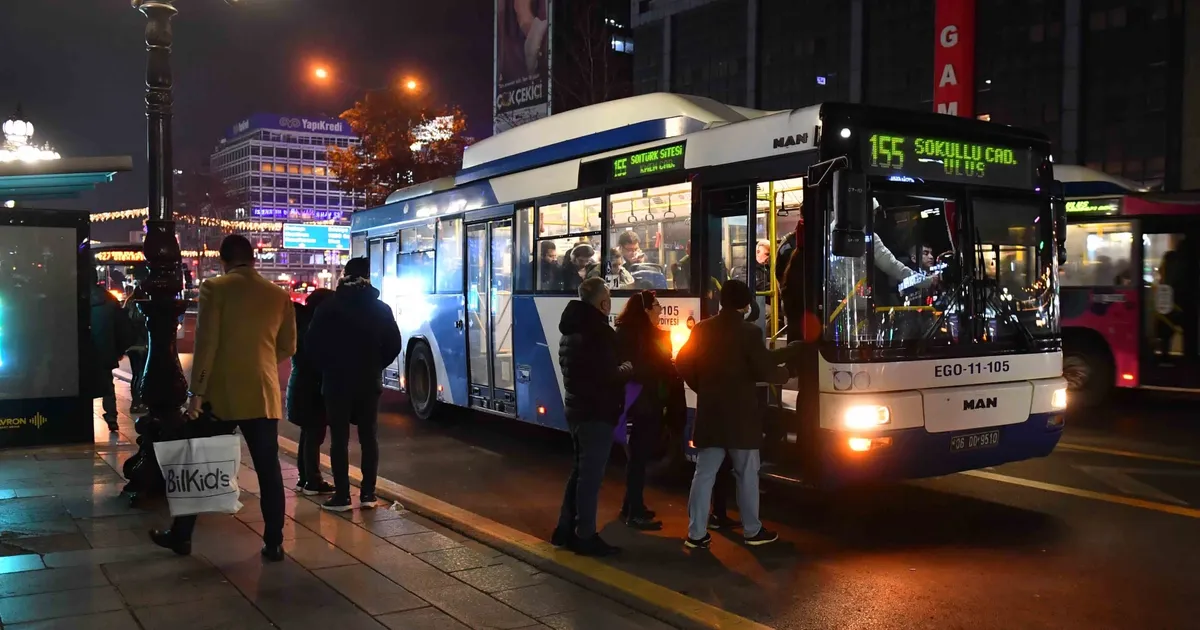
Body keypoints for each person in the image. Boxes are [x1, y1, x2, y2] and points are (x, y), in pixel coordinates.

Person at [150, 235, 297, 562]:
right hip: (262, 393)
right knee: (269, 471)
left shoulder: (215, 289)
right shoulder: (278, 295)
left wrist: (195, 393)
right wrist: (258, 363)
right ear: (254, 259)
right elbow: (288, 346)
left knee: (198, 460)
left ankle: (182, 535)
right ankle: (274, 543)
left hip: (221, 396)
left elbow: (207, 344)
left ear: (223, 261)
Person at [676, 279, 789, 549]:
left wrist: (701, 386)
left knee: (704, 474)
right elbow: (765, 369)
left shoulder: (702, 328)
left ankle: (696, 533)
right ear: (746, 304)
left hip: (711, 413)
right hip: (741, 416)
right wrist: (785, 373)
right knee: (747, 472)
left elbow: (682, 361)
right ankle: (752, 530)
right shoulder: (748, 332)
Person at [306, 257, 403, 512]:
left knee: (339, 439)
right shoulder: (380, 308)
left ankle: (343, 496)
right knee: (369, 437)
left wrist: (327, 367)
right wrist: (375, 364)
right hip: (368, 381)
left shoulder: (328, 307)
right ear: (368, 278)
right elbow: (394, 344)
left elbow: (312, 345)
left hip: (336, 382)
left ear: (344, 276)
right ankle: (368, 494)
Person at [552, 277, 632, 556]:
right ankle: (585, 535)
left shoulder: (570, 329)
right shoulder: (598, 333)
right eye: (608, 297)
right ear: (603, 302)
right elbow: (609, 375)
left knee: (578, 471)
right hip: (596, 413)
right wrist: (628, 368)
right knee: (590, 478)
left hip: (576, 410)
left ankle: (565, 529)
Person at [614, 290, 680, 531]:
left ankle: (629, 507)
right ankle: (635, 512)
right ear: (645, 310)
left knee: (638, 458)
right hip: (641, 403)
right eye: (657, 306)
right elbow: (638, 368)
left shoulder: (633, 333)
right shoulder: (634, 336)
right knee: (638, 459)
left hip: (646, 401)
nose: (660, 310)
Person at [287, 288, 336, 495]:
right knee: (314, 433)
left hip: (300, 385)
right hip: (311, 388)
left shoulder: (300, 323)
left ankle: (304, 477)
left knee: (309, 433)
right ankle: (312, 481)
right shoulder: (314, 328)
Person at [90, 282, 132, 432]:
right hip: (105, 349)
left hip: (84, 350)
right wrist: (119, 350)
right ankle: (112, 417)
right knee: (108, 385)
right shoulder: (109, 299)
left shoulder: (75, 296)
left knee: (81, 384)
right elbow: (122, 328)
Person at [123, 286, 149, 416]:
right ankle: (140, 402)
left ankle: (134, 403)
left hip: (131, 346)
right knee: (141, 374)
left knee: (135, 374)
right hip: (142, 345)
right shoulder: (144, 307)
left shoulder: (128, 305)